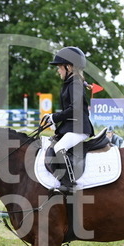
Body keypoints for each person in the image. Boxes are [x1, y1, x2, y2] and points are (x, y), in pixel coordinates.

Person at [42, 47, 95, 193]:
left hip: (79, 127)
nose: (58, 70)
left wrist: (54, 117)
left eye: (60, 67)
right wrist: (53, 118)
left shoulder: (75, 83)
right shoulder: (73, 82)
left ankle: (69, 184)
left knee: (59, 148)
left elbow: (75, 109)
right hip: (72, 126)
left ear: (69, 67)